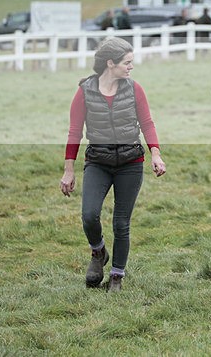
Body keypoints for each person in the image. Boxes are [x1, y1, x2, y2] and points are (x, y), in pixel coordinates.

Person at [60, 37, 166, 292]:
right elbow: (74, 132)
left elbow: (147, 123)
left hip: (130, 163)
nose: (131, 67)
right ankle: (98, 252)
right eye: (127, 62)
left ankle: (116, 276)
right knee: (89, 215)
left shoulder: (135, 89)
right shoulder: (85, 91)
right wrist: (68, 169)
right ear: (110, 63)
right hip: (98, 162)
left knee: (121, 223)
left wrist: (155, 154)